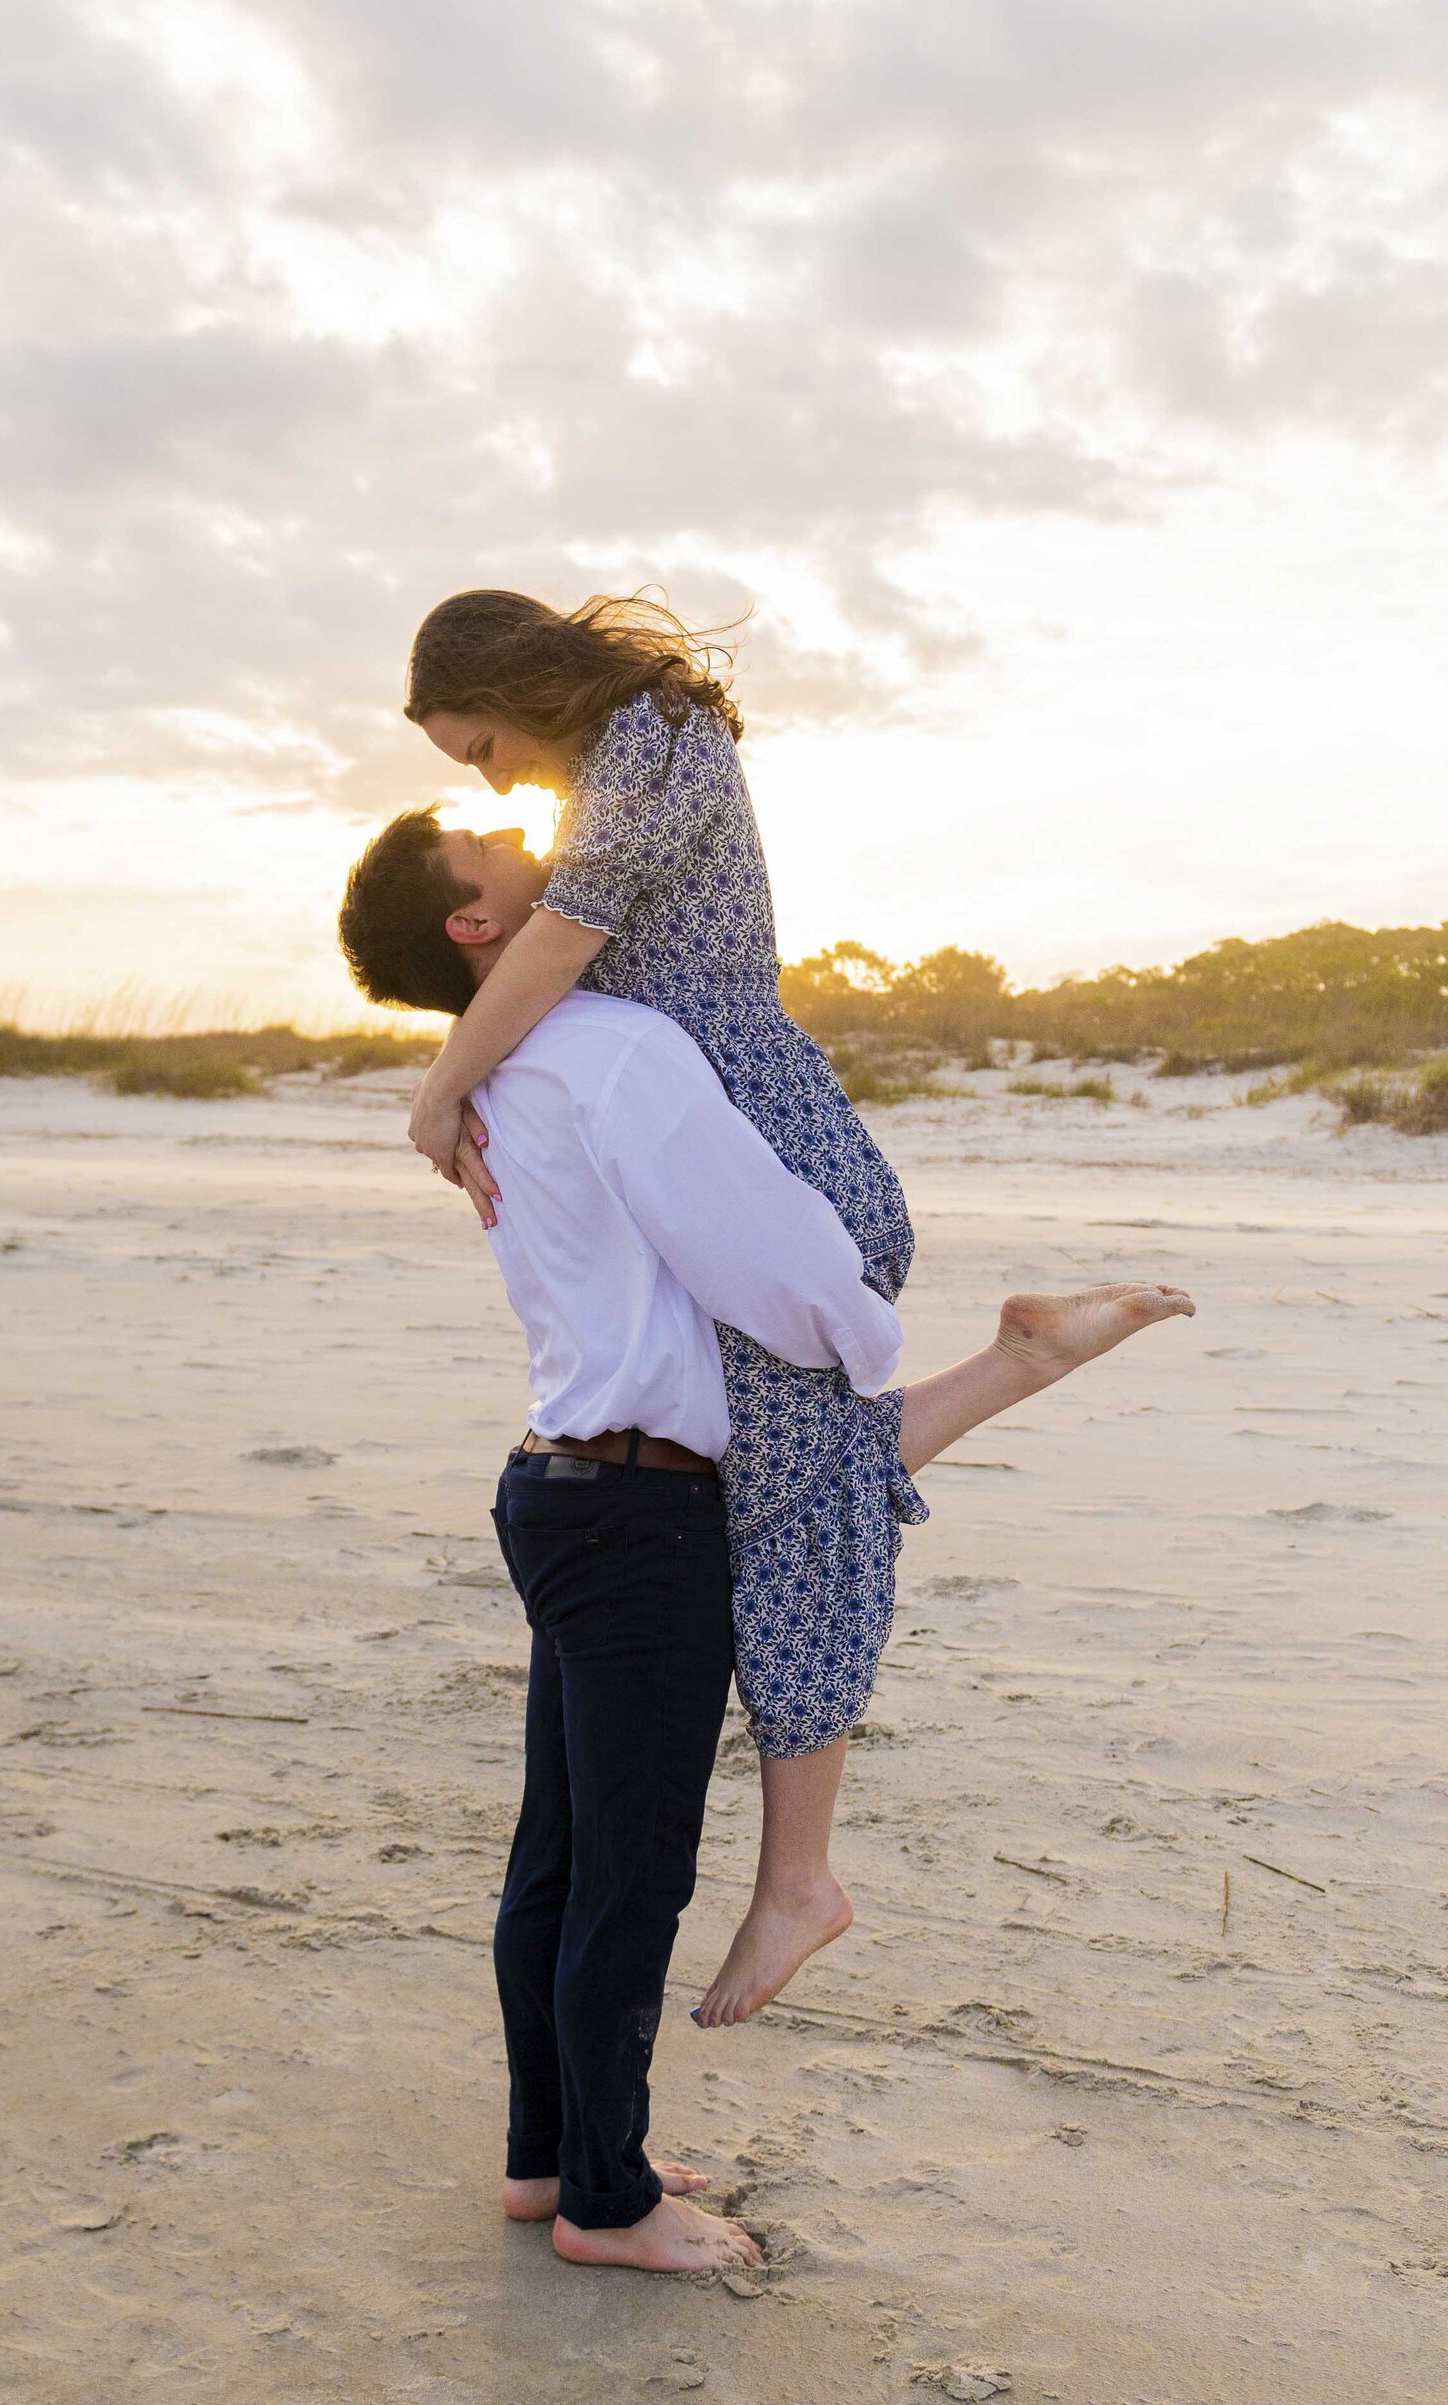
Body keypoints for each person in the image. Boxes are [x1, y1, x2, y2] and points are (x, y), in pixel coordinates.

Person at [337, 813, 1194, 2284]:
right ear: (478, 926)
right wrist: (867, 1335)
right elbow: (772, 1258)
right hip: (636, 1511)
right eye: (485, 841)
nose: (516, 828)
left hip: (563, 1486)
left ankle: (552, 2157)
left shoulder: (504, 1074)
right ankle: (605, 2197)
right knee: (627, 1876)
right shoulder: (605, 1045)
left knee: (558, 1859)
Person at [398, 589, 929, 2031]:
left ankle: (800, 1877)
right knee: (791, 1486)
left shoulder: (659, 738)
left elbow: (564, 939)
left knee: (793, 1501)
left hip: (755, 1141)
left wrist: (447, 1081)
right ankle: (798, 1876)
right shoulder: (610, 764)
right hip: (707, 1143)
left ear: (509, 680)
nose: (494, 778)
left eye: (482, 744)